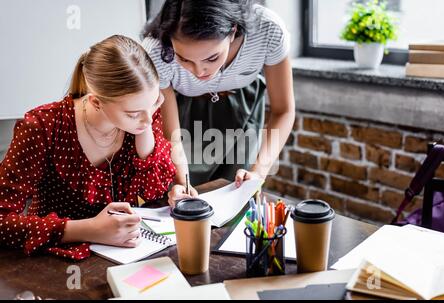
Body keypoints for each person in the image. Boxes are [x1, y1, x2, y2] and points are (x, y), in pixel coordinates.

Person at [0, 35, 175, 260]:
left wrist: (144, 127)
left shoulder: (141, 119)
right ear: (96, 102)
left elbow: (155, 189)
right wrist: (91, 229)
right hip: (52, 258)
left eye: (153, 104)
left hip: (123, 253)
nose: (148, 119)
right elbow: (3, 220)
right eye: (133, 113)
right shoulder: (41, 127)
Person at [141, 0, 295, 207]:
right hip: (183, 111)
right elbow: (173, 138)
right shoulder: (155, 52)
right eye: (184, 59)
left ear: (233, 31)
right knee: (183, 198)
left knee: (238, 193)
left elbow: (283, 109)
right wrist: (181, 182)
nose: (199, 72)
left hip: (242, 108)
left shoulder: (268, 30)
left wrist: (258, 172)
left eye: (212, 57)